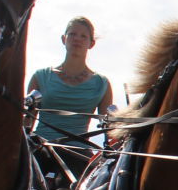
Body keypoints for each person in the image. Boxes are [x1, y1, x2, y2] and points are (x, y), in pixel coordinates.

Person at [29, 16, 116, 153]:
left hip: (78, 154)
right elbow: (27, 123)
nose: (77, 39)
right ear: (64, 39)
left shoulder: (102, 84)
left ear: (91, 44)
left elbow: (109, 130)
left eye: (83, 36)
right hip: (39, 150)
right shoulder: (41, 76)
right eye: (72, 34)